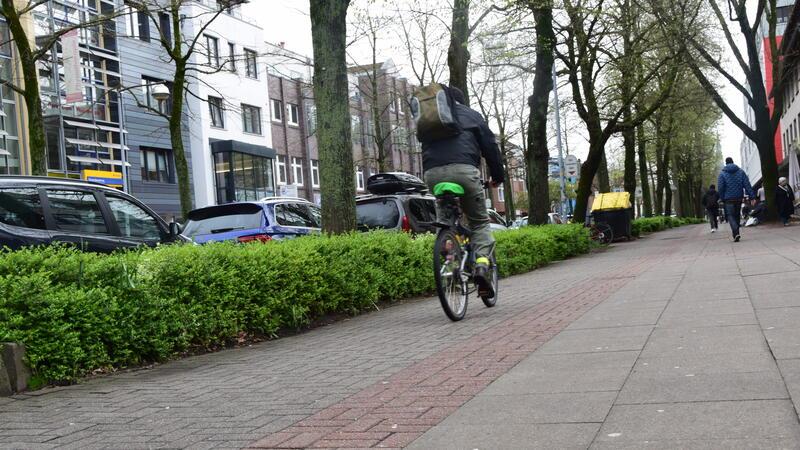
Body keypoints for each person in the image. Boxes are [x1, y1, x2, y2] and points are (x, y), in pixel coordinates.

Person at [421, 86, 504, 297]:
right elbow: (490, 148)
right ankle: (482, 266)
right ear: (461, 101)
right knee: (479, 223)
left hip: (432, 175)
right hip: (464, 172)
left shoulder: (431, 116)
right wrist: (498, 176)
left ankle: (451, 272)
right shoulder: (472, 115)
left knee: (445, 226)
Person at [717, 157, 755, 242]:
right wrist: (752, 196)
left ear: (726, 163)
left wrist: (722, 198)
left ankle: (735, 231)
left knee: (730, 215)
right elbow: (747, 184)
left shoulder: (722, 174)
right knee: (737, 215)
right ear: (733, 162)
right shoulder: (741, 172)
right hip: (738, 197)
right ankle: (736, 233)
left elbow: (720, 187)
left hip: (728, 199)